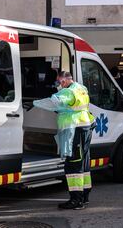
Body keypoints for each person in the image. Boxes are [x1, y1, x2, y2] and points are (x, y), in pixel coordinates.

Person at [33, 71, 94, 210]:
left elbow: (52, 102)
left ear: (65, 81)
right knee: (83, 163)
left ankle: (76, 200)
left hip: (75, 130)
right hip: (84, 127)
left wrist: (34, 102)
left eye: (60, 82)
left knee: (73, 165)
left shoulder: (68, 92)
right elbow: (71, 106)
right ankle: (84, 196)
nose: (60, 85)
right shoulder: (81, 88)